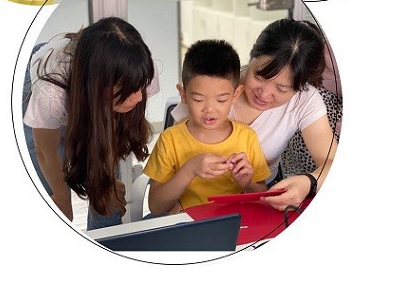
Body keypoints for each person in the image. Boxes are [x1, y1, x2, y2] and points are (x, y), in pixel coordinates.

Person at [171, 19, 337, 211]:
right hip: (193, 200)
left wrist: (310, 181)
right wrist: (177, 209)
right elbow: (169, 163)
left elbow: (333, 161)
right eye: (260, 76)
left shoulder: (305, 100)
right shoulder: (213, 86)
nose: (264, 94)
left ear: (300, 88)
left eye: (281, 89)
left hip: (257, 199)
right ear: (252, 57)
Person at [22, 17, 155, 230]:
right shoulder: (50, 93)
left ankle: (109, 240)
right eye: (130, 90)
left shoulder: (138, 71)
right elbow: (45, 151)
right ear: (98, 87)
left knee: (109, 197)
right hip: (44, 76)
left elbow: (110, 134)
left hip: (93, 79)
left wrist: (106, 182)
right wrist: (62, 197)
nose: (139, 97)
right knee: (54, 203)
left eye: (140, 86)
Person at [144, 39, 270, 215]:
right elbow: (156, 206)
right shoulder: (170, 139)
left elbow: (261, 198)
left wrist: (247, 184)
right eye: (198, 99)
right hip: (187, 223)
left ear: (236, 95)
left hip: (233, 223)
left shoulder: (247, 137)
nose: (209, 109)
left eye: (221, 100)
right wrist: (190, 169)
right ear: (183, 95)